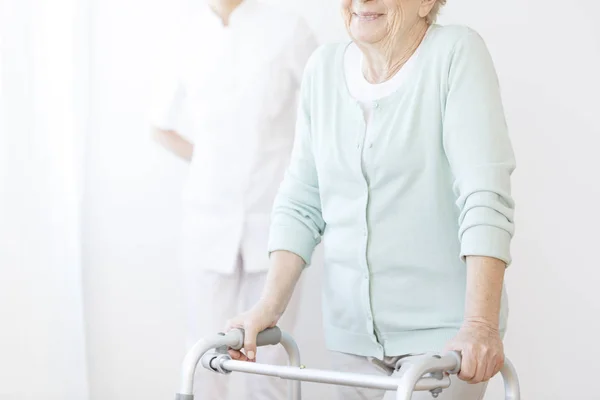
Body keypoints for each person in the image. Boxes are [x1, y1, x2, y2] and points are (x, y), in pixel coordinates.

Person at [226, 0, 516, 399]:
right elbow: (302, 201)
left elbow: (484, 195)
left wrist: (480, 326)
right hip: (353, 342)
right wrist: (267, 307)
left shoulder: (455, 54)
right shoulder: (322, 69)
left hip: (445, 343)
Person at [150, 0, 317, 399]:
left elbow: (325, 109)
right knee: (205, 357)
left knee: (272, 364)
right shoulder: (185, 35)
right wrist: (210, 162)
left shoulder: (288, 28)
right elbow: (160, 125)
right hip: (207, 218)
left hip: (276, 218)